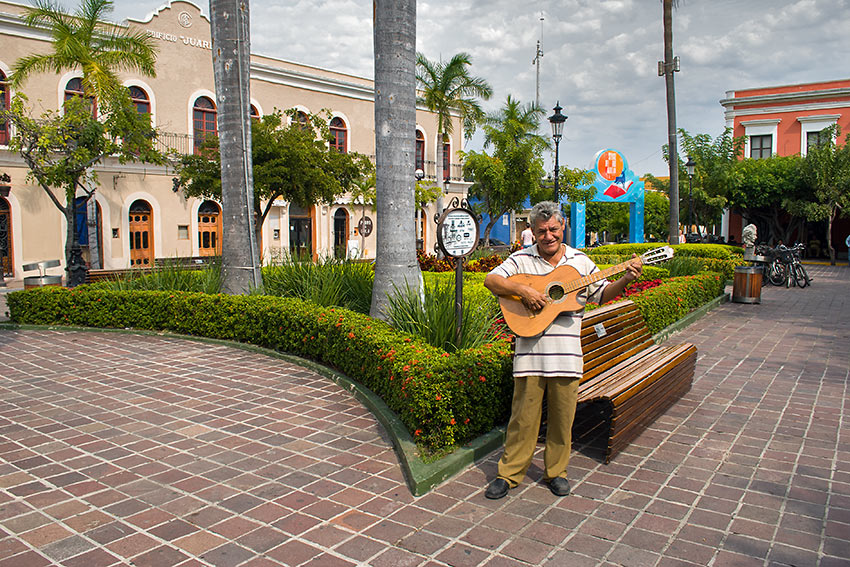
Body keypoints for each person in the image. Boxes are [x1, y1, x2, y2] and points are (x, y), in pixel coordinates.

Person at [483, 201, 642, 499]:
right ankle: (509, 475)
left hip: (568, 357)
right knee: (522, 421)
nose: (548, 236)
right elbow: (491, 280)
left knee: (562, 420)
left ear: (563, 227)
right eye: (541, 231)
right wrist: (524, 291)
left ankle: (556, 472)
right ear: (532, 231)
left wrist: (626, 277)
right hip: (530, 356)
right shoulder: (520, 260)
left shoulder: (580, 262)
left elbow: (602, 294)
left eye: (553, 229)